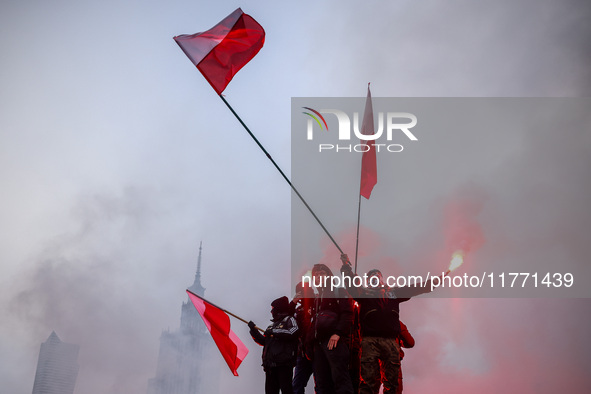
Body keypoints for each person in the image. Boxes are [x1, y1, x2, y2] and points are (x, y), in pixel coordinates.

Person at [340, 254, 448, 394]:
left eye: (377, 276)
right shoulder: (364, 294)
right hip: (369, 341)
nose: (375, 278)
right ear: (367, 281)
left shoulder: (393, 293)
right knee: (368, 380)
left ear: (381, 279)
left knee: (392, 382)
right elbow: (351, 286)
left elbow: (415, 288)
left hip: (391, 342)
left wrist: (437, 280)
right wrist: (346, 268)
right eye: (371, 277)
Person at [308, 263, 355, 394]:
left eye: (321, 273)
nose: (318, 277)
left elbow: (348, 313)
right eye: (315, 275)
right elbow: (313, 323)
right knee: (321, 382)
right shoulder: (316, 299)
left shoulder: (338, 291)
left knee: (340, 378)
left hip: (334, 341)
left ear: (328, 275)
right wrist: (309, 344)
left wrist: (338, 333)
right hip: (318, 344)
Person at [249, 296, 300, 394]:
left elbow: (293, 332)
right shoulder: (271, 325)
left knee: (287, 390)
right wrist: (253, 331)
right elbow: (263, 341)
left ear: (279, 308)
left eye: (272, 309)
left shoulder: (290, 319)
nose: (271, 312)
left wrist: (275, 331)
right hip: (270, 366)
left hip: (284, 364)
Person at [291, 281, 321, 394]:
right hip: (302, 353)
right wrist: (293, 303)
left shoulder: (318, 303)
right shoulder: (297, 310)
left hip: (317, 351)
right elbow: (289, 322)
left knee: (320, 384)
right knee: (297, 384)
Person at [396, 321, 415, 394]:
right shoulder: (394, 320)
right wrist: (399, 343)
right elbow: (410, 342)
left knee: (367, 387)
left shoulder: (362, 316)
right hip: (392, 358)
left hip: (368, 358)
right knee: (394, 388)